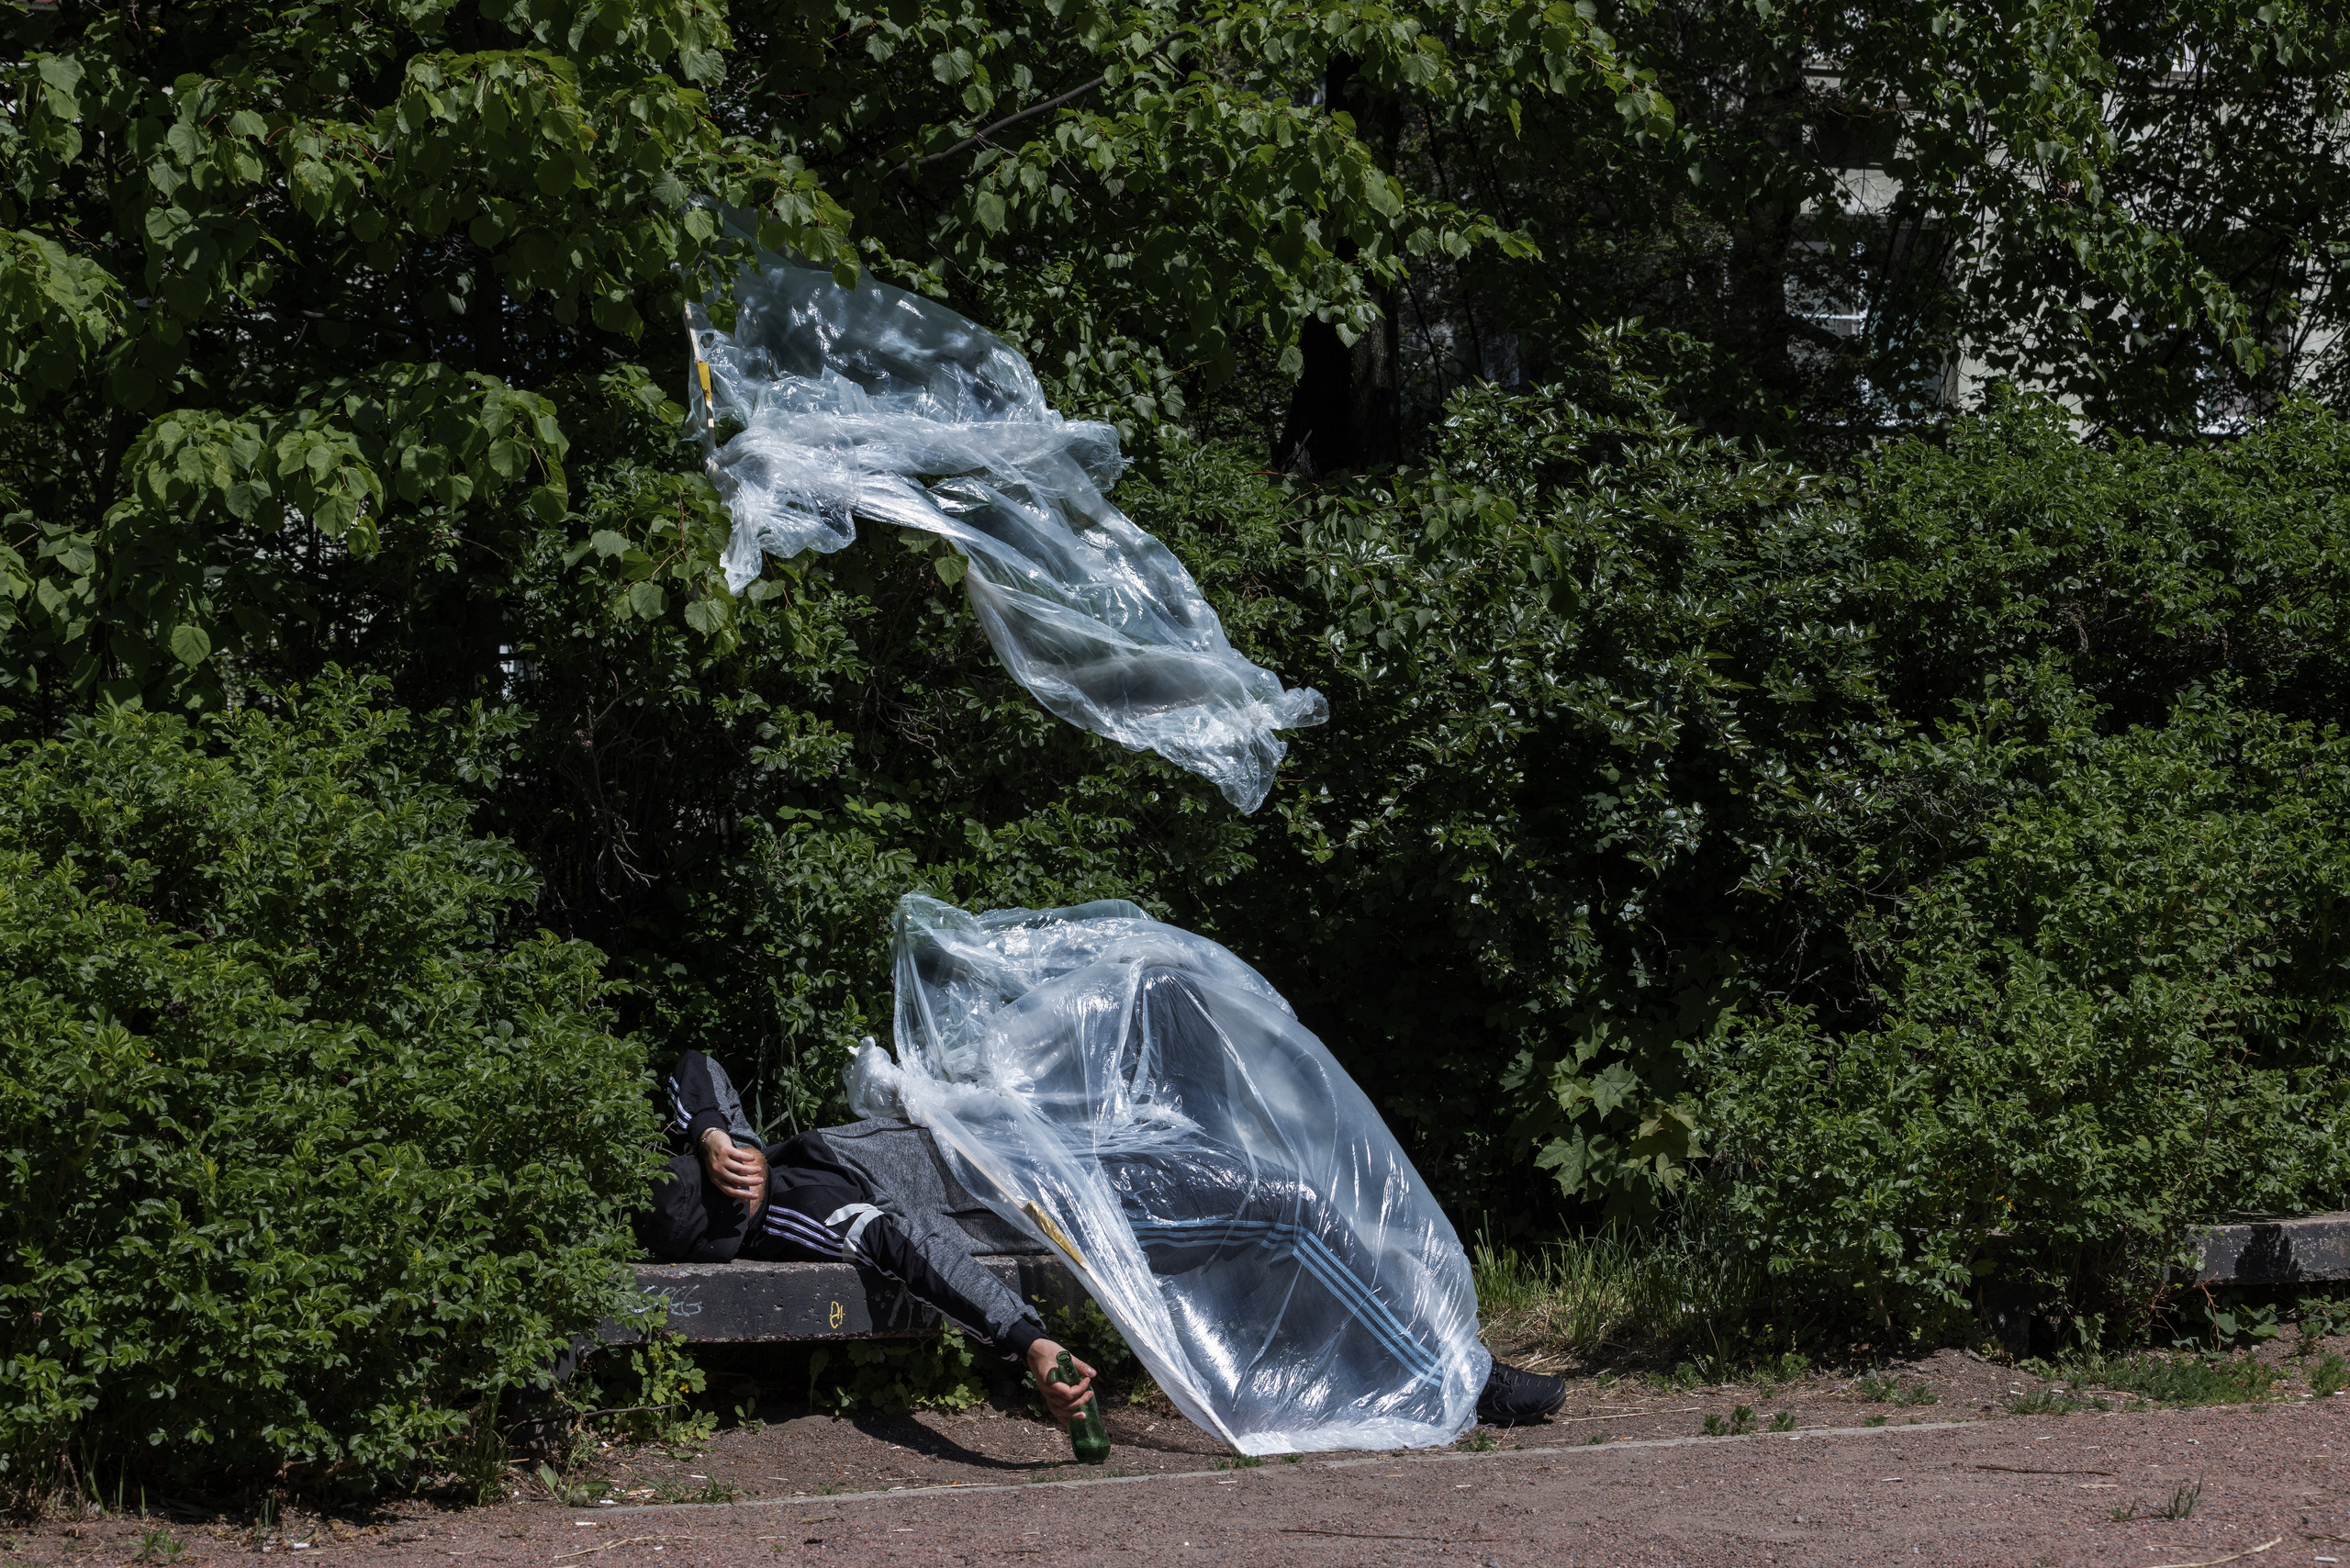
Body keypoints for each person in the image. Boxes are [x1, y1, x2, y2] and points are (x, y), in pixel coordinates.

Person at [635, 1048, 1565, 1429]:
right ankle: (1462, 1379)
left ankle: (1409, 1360)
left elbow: (693, 1064)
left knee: (1274, 1177)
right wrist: (1028, 1338)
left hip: (1052, 1153)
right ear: (736, 1221)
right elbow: (917, 1251)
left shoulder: (760, 1160)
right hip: (1072, 1205)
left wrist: (723, 1134)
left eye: (739, 1167)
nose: (746, 1176)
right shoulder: (808, 1215)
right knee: (1290, 1211)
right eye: (733, 1183)